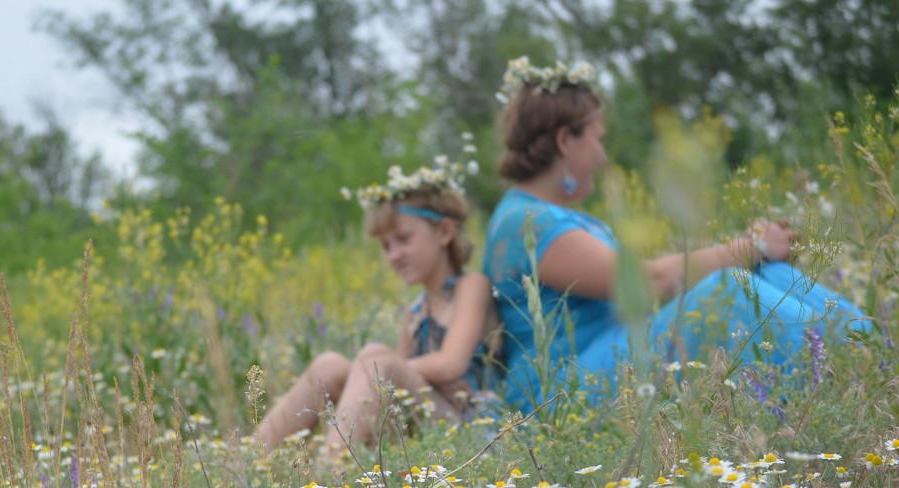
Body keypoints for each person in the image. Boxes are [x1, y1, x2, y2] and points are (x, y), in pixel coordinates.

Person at [484, 56, 869, 414]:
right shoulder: (525, 222)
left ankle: (873, 356)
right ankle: (850, 373)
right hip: (565, 391)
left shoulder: (546, 216)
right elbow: (651, 281)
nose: (602, 156)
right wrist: (753, 245)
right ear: (565, 140)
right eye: (597, 139)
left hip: (613, 357)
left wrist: (757, 256)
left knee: (767, 276)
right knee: (728, 291)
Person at [255, 161, 504, 457]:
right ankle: (245, 465)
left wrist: (374, 368)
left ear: (445, 232)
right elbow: (390, 389)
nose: (394, 255)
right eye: (386, 246)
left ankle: (331, 480)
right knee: (328, 366)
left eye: (403, 239)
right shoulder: (415, 313)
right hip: (427, 428)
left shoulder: (471, 286)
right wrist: (375, 372)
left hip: (472, 429)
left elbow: (451, 364)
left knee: (378, 360)